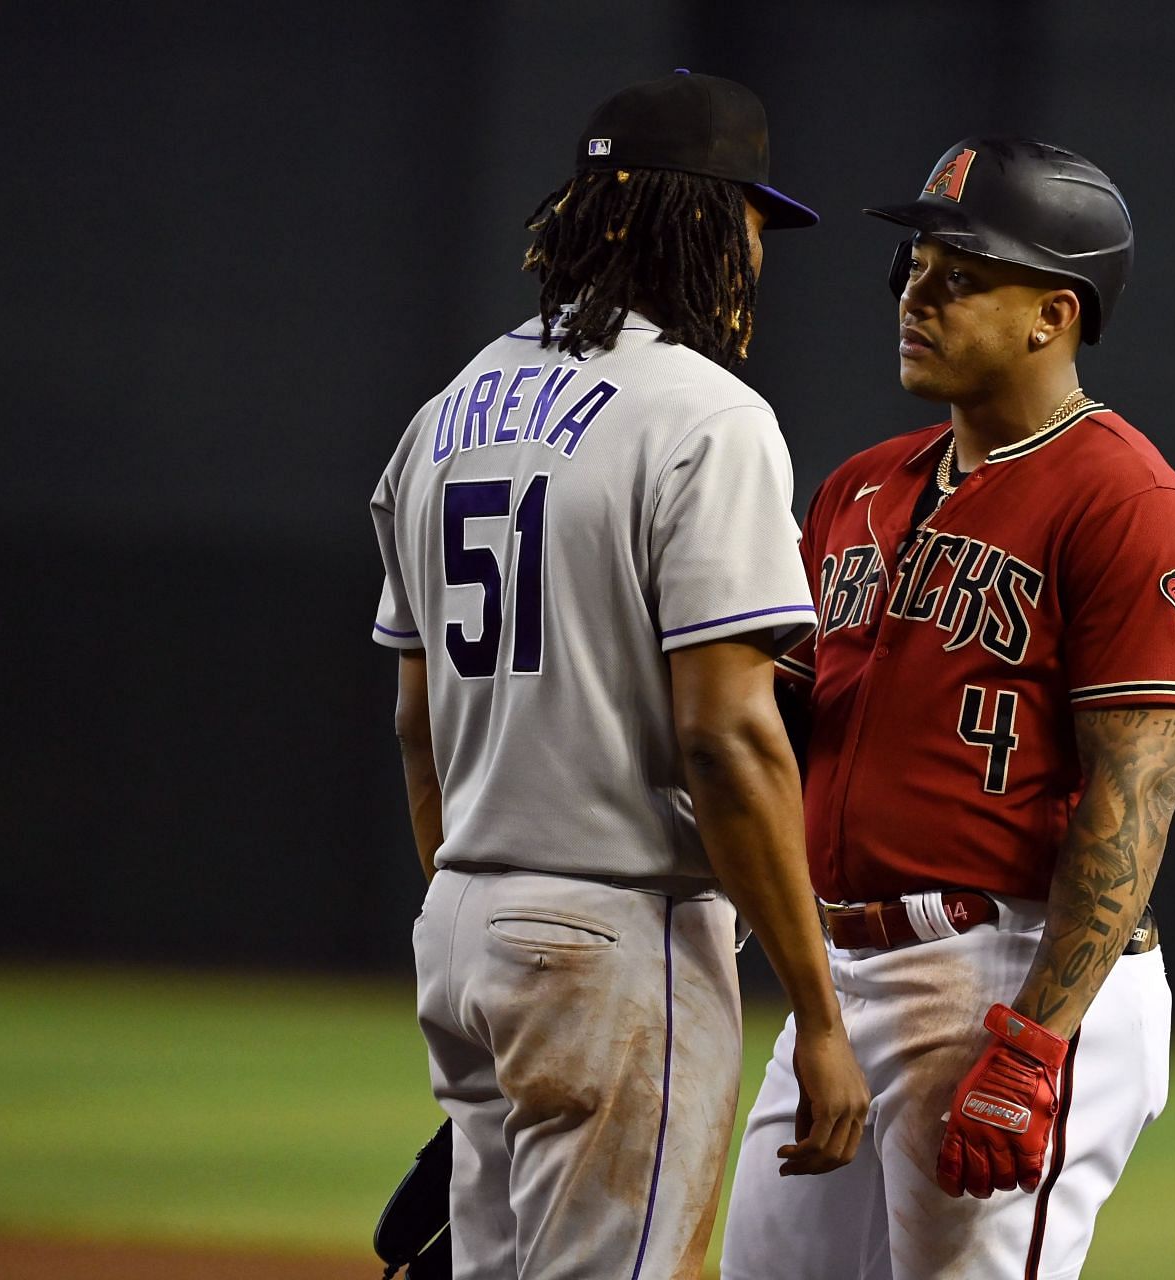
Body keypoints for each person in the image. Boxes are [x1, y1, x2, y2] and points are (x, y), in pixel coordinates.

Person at [368, 70, 868, 1280]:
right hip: (615, 930)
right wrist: (817, 1006)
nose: (758, 247)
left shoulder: (444, 415)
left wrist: (477, 915)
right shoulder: (705, 415)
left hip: (467, 924)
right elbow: (727, 736)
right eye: (749, 215)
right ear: (693, 218)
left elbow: (414, 721)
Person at [721, 137, 1175, 1279]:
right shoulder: (859, 485)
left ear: (1054, 313)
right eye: (912, 265)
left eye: (959, 273)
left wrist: (1038, 1042)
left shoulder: (1129, 502)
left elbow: (1136, 789)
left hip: (1009, 965)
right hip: (838, 971)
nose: (915, 293)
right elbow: (771, 735)